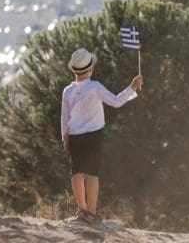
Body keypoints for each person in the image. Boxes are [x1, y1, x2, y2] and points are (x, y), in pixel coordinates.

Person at [61, 48, 143, 223]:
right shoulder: (95, 87)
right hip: (93, 137)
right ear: (90, 69)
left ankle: (82, 210)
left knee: (77, 172)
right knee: (92, 174)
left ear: (74, 70)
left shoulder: (67, 91)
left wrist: (64, 137)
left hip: (74, 135)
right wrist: (132, 87)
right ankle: (92, 212)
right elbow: (115, 101)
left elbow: (64, 117)